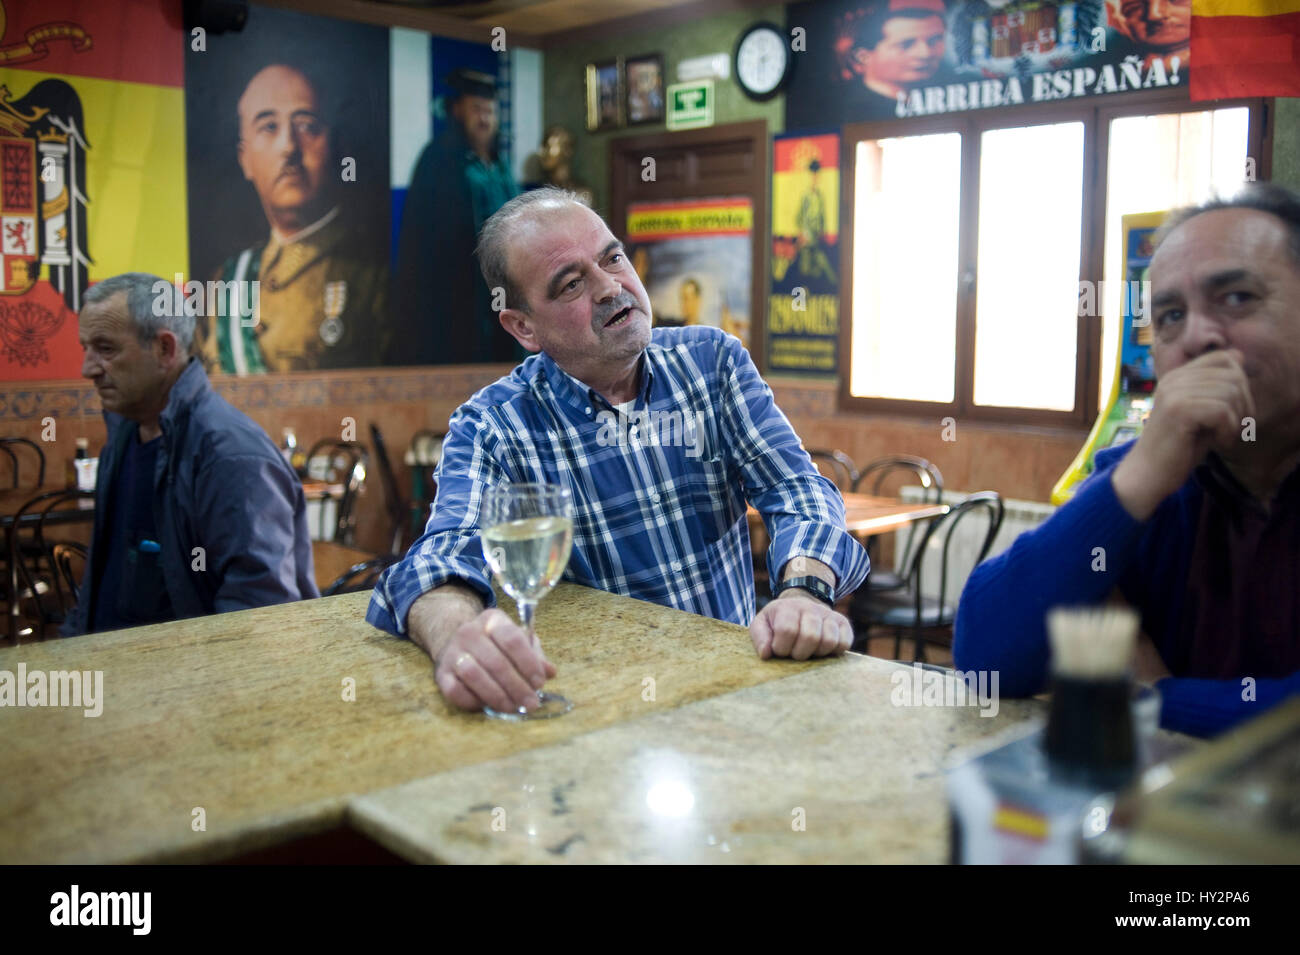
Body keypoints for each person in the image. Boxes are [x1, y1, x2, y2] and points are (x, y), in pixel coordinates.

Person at [368, 188, 870, 715]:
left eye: (612, 258)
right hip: (597, 714)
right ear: (523, 327)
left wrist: (805, 591)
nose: (611, 287)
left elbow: (796, 488)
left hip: (731, 696)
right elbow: (441, 559)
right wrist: (455, 637)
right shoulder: (493, 426)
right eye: (571, 284)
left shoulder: (712, 362)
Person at [955, 184, 1300, 738]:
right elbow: (986, 659)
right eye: (1169, 316)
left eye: (1237, 298)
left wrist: (1140, 698)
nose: (1197, 338)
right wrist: (1135, 483)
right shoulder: (1153, 473)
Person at [65, 273, 318, 635]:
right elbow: (103, 579)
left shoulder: (231, 456)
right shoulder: (124, 434)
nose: (87, 368)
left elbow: (258, 614)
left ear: (165, 349)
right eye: (85, 348)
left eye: (105, 349)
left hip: (185, 686)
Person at [202, 63, 388, 374]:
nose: (289, 147)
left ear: (334, 145)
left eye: (307, 126)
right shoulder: (226, 279)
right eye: (268, 127)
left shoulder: (374, 272)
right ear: (244, 159)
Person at [390, 68, 520, 366]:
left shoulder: (500, 165)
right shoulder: (439, 160)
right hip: (455, 294)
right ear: (457, 110)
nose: (484, 118)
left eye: (490, 111)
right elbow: (424, 243)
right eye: (476, 109)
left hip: (499, 286)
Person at [846, 0, 948, 119]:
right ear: (863, 56)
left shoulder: (961, 88)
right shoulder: (842, 110)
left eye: (934, 41)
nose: (925, 54)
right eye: (906, 44)